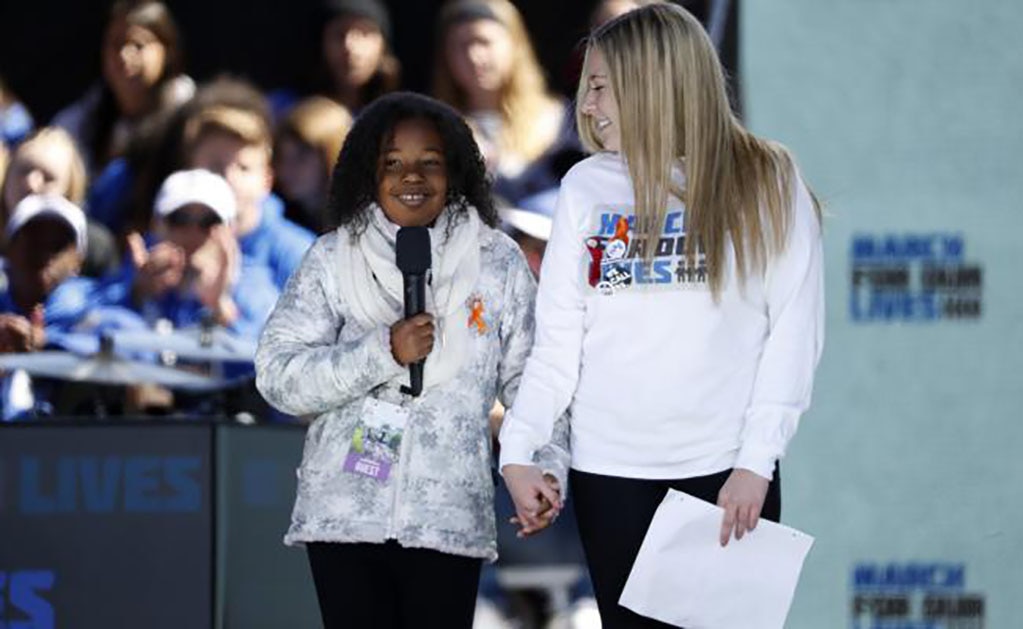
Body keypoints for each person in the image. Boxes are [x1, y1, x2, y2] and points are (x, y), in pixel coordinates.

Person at [498, 5, 824, 627]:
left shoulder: (768, 178)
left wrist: (755, 463)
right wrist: (520, 449)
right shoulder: (586, 188)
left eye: (598, 86)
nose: (585, 107)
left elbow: (793, 335)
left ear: (653, 79)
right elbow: (560, 344)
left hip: (723, 473)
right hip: (609, 476)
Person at [254, 92, 567, 629]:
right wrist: (382, 353)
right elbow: (278, 376)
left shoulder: (497, 263)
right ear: (368, 173)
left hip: (447, 522)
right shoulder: (333, 257)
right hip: (344, 519)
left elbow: (536, 383)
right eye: (393, 162)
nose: (411, 176)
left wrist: (545, 467)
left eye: (430, 162)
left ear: (457, 171)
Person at [433, 0, 583, 204]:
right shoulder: (435, 126)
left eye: (484, 42)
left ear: (515, 44)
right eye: (460, 45)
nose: (474, 56)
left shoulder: (557, 119)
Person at [52, 0, 194, 176]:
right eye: (116, 44)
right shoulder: (81, 122)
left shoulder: (191, 116)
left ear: (167, 52)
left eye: (138, 45)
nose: (124, 55)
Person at [0, 128, 119, 277]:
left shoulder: (95, 250)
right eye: (23, 170)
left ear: (69, 191)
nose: (31, 184)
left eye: (48, 177)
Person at [273, 96, 352, 233]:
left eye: (301, 157)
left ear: (333, 156)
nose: (285, 169)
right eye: (281, 156)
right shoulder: (275, 210)